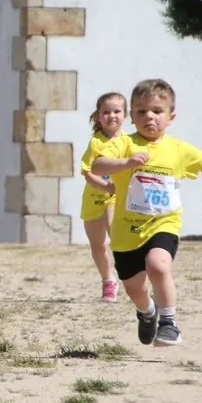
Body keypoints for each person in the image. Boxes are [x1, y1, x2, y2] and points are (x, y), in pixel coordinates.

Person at [92, 79, 202, 348]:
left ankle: (169, 323)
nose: (149, 117)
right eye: (140, 111)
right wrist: (125, 163)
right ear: (132, 116)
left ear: (170, 117)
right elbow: (98, 163)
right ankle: (147, 312)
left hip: (164, 223)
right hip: (127, 233)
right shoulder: (124, 144)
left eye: (157, 111)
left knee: (158, 265)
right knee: (135, 290)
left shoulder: (178, 149)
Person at [79, 92, 128, 302]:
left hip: (115, 197)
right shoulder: (95, 144)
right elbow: (86, 172)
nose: (112, 116)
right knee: (98, 246)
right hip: (92, 199)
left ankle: (132, 273)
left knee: (114, 232)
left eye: (117, 111)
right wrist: (103, 185)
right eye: (106, 112)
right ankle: (109, 281)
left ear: (125, 114)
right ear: (99, 116)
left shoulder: (129, 143)